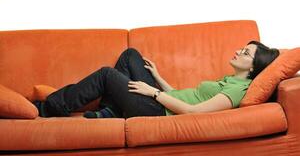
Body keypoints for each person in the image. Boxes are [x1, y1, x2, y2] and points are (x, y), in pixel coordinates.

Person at [33, 40, 279, 119]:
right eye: (243, 48)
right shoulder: (229, 80)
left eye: (245, 53)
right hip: (163, 100)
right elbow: (184, 94)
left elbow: (193, 111)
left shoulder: (238, 90)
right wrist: (158, 77)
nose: (238, 51)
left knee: (106, 74)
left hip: (158, 109)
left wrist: (152, 92)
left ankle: (48, 107)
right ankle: (111, 112)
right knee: (130, 56)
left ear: (253, 67)